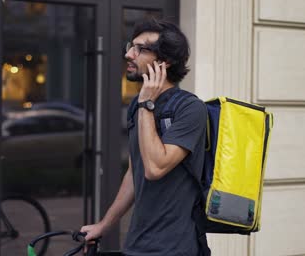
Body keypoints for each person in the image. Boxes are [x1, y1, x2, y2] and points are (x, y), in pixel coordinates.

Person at [81, 18, 210, 256]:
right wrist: (104, 225)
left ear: (165, 61)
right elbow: (135, 173)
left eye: (140, 49)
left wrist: (146, 103)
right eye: (131, 46)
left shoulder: (190, 109)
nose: (129, 54)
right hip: (137, 244)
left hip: (174, 248)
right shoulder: (138, 107)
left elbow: (154, 168)